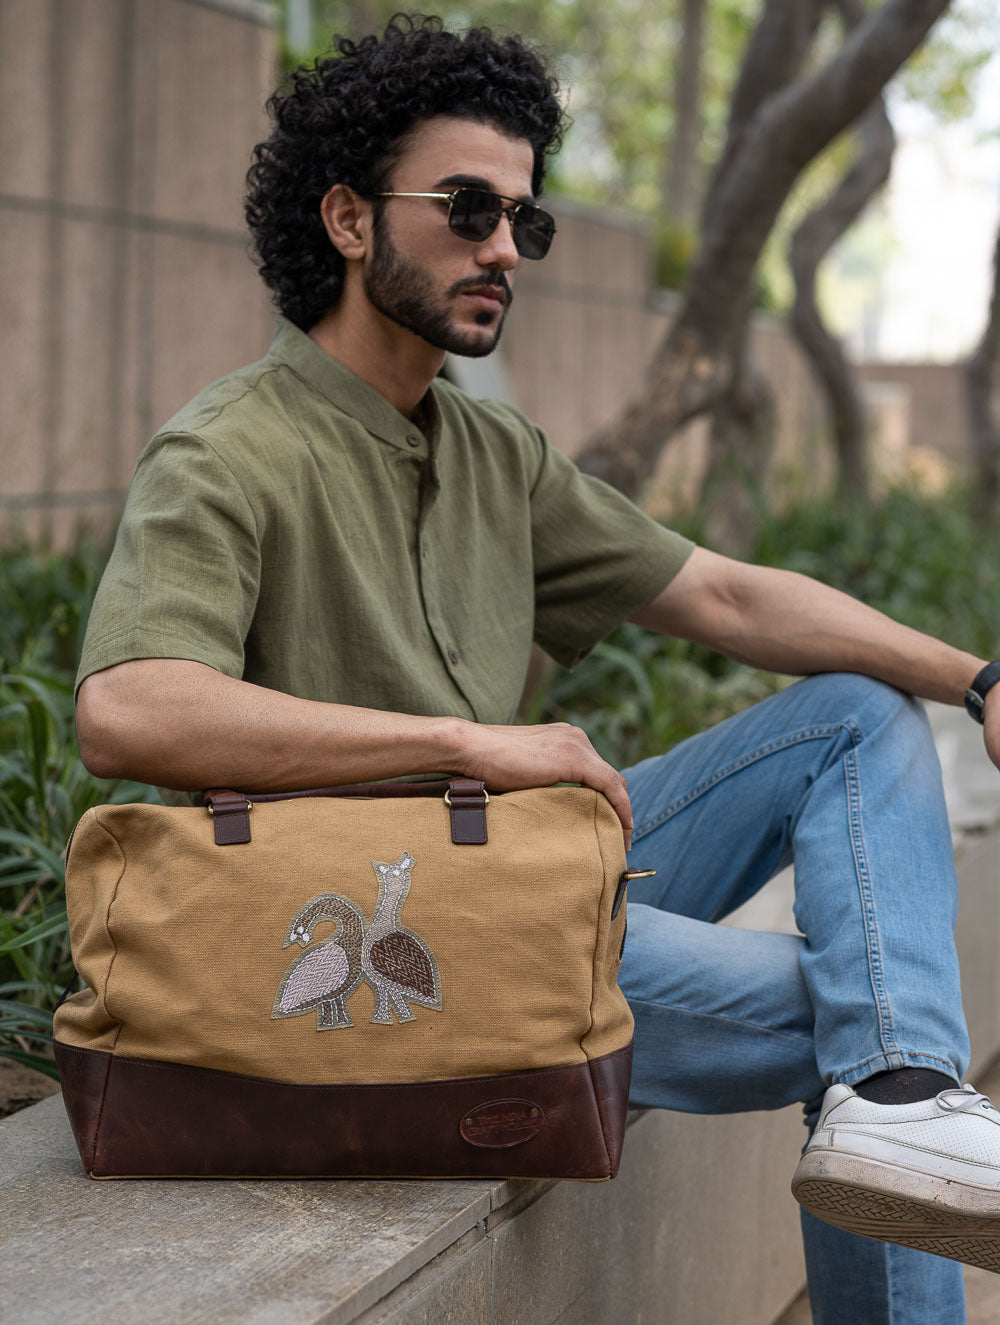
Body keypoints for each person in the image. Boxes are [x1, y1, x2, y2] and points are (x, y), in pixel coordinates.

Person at [74, 15, 1000, 1322]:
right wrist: (469, 744)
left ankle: (903, 1102)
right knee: (868, 1025)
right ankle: (904, 1095)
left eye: (524, 218)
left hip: (521, 866)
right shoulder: (227, 450)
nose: (504, 247)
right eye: (468, 209)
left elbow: (726, 593)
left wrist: (979, 680)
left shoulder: (492, 456)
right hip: (388, 929)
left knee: (855, 716)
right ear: (348, 218)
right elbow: (128, 707)